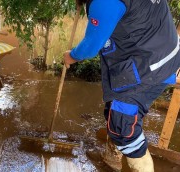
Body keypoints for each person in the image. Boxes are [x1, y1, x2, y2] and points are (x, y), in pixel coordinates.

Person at [64, 0, 180, 171]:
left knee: (122, 126)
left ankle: (140, 165)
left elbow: (90, 47)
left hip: (148, 68)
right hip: (165, 54)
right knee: (114, 108)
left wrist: (71, 56)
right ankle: (111, 158)